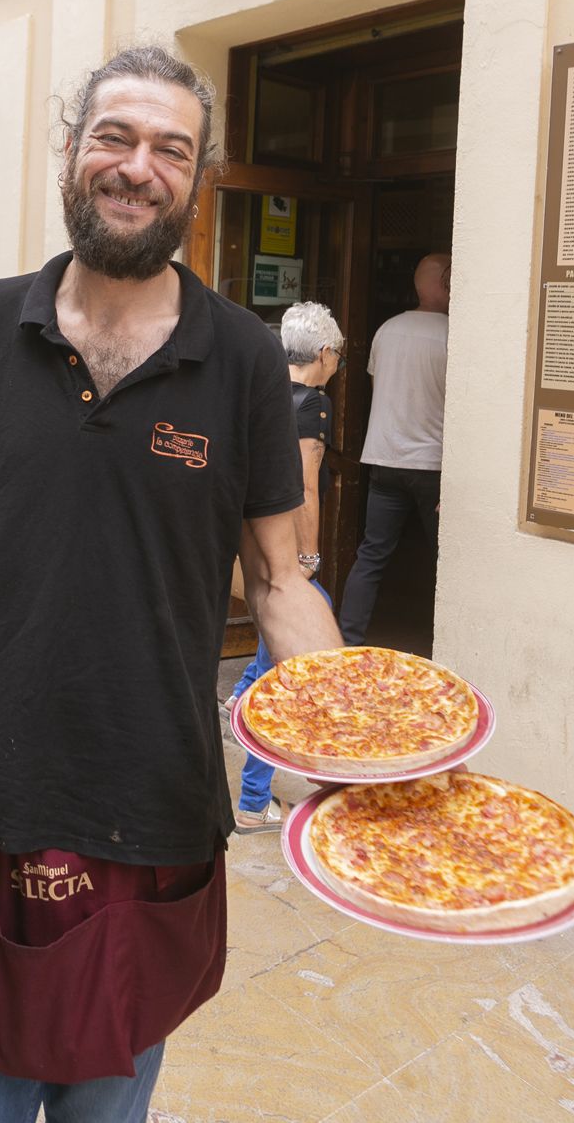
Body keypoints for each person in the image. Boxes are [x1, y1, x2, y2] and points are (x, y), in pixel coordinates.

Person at [0, 45, 342, 1123]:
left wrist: (350, 738)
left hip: (152, 810)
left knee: (110, 1111)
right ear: (71, 151)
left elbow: (280, 576)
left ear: (195, 181)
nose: (137, 165)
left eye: (171, 148)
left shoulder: (244, 358)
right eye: (114, 135)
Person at [228, 302, 346, 832]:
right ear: (324, 354)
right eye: (338, 355)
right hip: (283, 559)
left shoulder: (265, 392)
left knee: (269, 665)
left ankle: (239, 698)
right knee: (291, 676)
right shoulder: (314, 404)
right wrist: (307, 557)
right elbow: (304, 485)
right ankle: (254, 800)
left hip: (249, 546)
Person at [338, 252, 451, 647]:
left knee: (371, 555)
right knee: (449, 561)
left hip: (383, 457)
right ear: (448, 283)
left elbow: (377, 389)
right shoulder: (454, 335)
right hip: (433, 465)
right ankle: (448, 646)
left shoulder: (388, 330)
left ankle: (347, 641)